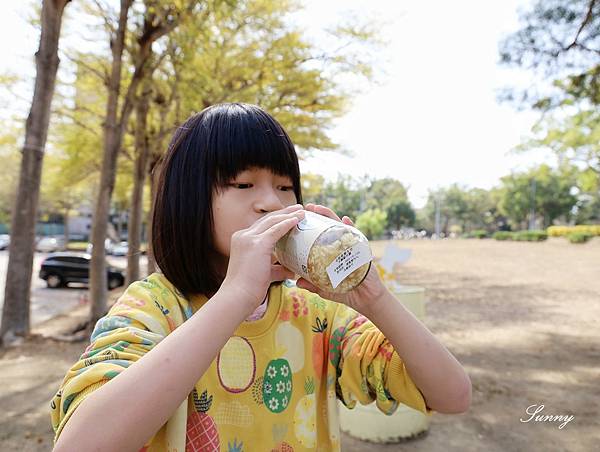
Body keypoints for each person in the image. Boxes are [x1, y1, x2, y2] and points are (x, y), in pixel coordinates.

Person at [51, 103, 471, 451]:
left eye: (286, 187)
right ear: (189, 201)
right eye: (244, 183)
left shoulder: (318, 317)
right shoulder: (154, 308)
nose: (271, 202)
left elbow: (453, 395)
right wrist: (235, 296)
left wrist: (373, 296)